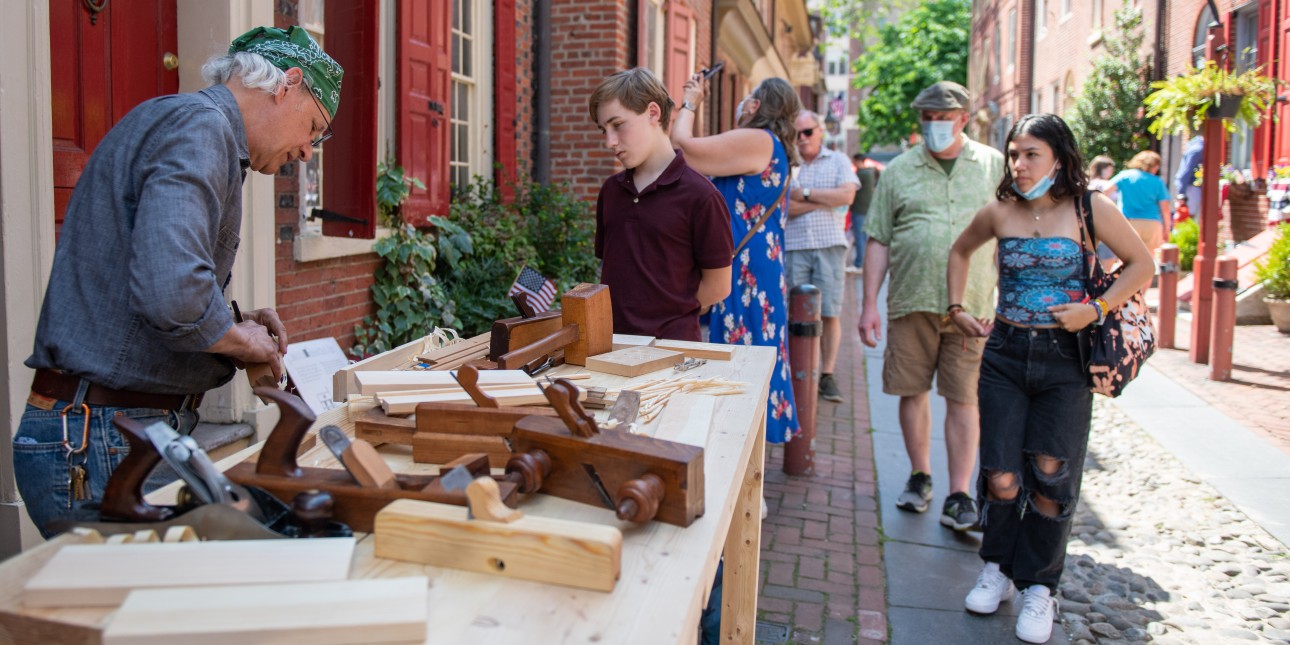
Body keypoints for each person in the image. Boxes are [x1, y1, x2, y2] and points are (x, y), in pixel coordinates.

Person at [14, 26, 342, 537]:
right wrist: (243, 342)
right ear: (287, 84)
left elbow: (148, 281)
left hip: (116, 430)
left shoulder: (189, 125)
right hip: (103, 436)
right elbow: (173, 295)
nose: (308, 152)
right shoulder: (201, 129)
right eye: (315, 129)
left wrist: (236, 325)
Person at [946, 113, 1152, 643]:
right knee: (999, 473)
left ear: (1059, 157)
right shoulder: (1000, 211)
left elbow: (1141, 264)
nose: (1018, 164)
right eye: (1013, 153)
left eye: (1030, 153)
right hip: (1005, 355)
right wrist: (955, 307)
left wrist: (1097, 308)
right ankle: (997, 567)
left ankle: (1040, 586)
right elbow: (960, 250)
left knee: (1050, 472)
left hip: (1066, 361)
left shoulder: (1091, 209)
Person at [859, 81, 1003, 531]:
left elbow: (1008, 235)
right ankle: (921, 476)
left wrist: (1005, 297)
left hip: (974, 305)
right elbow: (878, 237)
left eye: (945, 118)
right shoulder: (899, 170)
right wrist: (868, 305)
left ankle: (959, 493)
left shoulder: (992, 165)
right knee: (911, 389)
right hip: (912, 298)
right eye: (929, 118)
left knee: (964, 398)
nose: (936, 126)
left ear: (964, 118)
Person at [671, 75, 801, 444]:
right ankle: (744, 446)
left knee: (739, 359)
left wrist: (691, 100)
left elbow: (683, 148)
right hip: (758, 261)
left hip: (745, 266)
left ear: (757, 106)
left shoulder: (758, 139)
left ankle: (738, 448)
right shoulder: (771, 146)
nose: (742, 103)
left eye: (748, 99)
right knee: (750, 353)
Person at [589, 68, 733, 341]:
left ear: (653, 113)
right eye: (603, 130)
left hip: (674, 354)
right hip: (609, 348)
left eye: (618, 125)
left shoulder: (702, 196)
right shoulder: (610, 191)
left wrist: (670, 314)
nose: (610, 141)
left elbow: (718, 286)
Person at [785, 111, 858, 403]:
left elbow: (847, 197)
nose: (802, 139)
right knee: (795, 312)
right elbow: (783, 207)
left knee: (829, 311)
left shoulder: (839, 160)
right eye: (797, 134)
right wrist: (822, 198)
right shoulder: (789, 164)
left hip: (829, 244)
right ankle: (798, 370)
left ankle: (826, 374)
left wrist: (802, 194)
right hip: (795, 245)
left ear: (820, 132)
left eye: (808, 132)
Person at [1111, 150, 1172, 255]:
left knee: (1127, 257)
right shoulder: (1157, 181)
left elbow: (1105, 190)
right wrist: (1167, 228)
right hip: (1152, 224)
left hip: (1128, 222)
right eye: (1156, 166)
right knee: (1148, 259)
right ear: (1152, 165)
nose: (1157, 170)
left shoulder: (1125, 176)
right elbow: (1165, 207)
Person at [848, 152, 882, 274]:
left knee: (860, 238)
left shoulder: (861, 174)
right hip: (866, 209)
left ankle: (859, 263)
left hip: (859, 209)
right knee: (864, 238)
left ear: (858, 161)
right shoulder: (870, 173)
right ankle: (866, 263)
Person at [1175, 135, 1204, 223]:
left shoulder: (1194, 148)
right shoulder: (1198, 150)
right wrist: (1181, 192)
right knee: (1187, 217)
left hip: (1189, 186)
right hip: (1191, 187)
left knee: (1186, 216)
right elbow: (1187, 171)